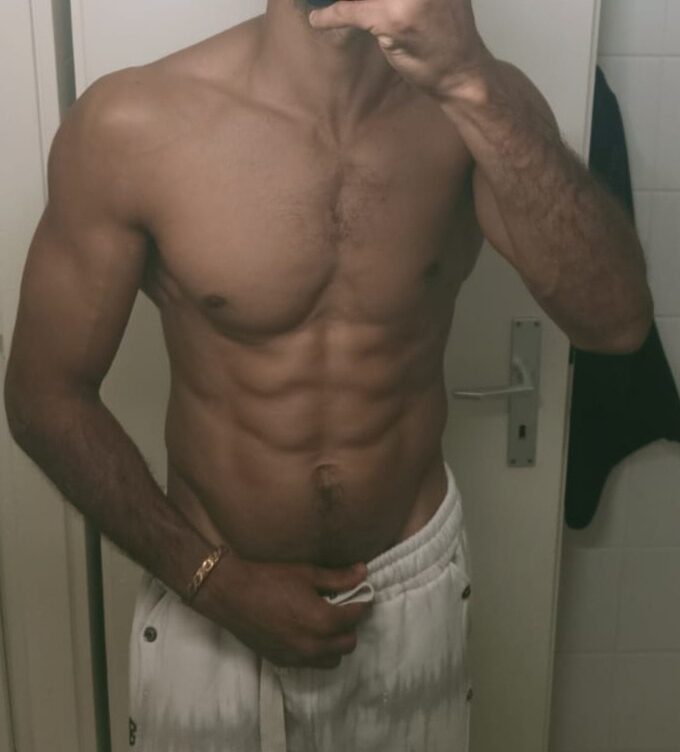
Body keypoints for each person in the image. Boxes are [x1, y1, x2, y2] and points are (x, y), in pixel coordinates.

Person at [3, 0, 653, 750]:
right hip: (208, 594)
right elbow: (44, 396)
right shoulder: (132, 124)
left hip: (408, 591)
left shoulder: (477, 108)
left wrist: (471, 81)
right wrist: (213, 582)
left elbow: (616, 323)